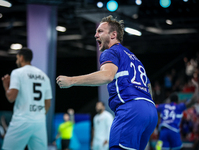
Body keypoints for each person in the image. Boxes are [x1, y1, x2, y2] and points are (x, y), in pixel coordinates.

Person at [56, 15, 158, 150]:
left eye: (100, 31)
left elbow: (107, 75)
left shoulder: (111, 52)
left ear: (113, 35)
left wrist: (72, 80)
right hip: (150, 112)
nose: (95, 35)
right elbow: (148, 86)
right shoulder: (134, 58)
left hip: (131, 109)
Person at [1, 48, 52, 150]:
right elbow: (48, 103)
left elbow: (11, 97)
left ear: (21, 57)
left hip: (22, 121)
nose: (16, 61)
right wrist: (37, 115)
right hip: (39, 123)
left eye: (17, 58)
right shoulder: (44, 76)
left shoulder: (17, 73)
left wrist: (6, 86)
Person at [156, 79, 199, 150]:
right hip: (174, 131)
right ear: (177, 100)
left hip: (163, 132)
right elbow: (193, 100)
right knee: (178, 148)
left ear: (170, 100)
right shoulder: (179, 106)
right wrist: (197, 87)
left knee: (158, 148)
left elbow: (153, 106)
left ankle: (157, 147)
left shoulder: (163, 106)